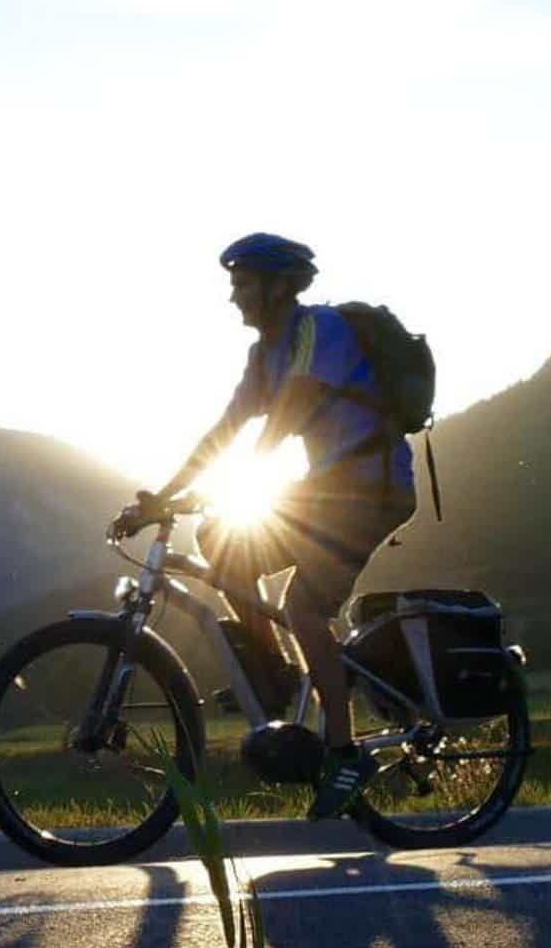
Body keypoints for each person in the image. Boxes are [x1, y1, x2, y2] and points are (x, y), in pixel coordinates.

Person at [130, 232, 418, 819]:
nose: (234, 297)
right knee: (221, 541)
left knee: (305, 607)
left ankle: (344, 754)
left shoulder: (320, 331)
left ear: (279, 285)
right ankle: (278, 678)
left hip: (372, 487)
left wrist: (243, 476)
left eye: (243, 284)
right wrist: (160, 498)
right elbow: (224, 430)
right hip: (330, 491)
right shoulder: (263, 356)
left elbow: (288, 413)